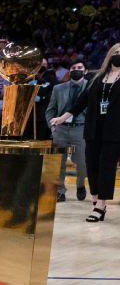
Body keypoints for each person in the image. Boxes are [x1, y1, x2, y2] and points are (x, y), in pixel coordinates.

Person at [52, 43, 120, 222]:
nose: (118, 55)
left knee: (106, 166)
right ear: (110, 55)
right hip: (93, 128)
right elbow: (81, 103)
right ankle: (97, 198)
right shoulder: (96, 78)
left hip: (114, 130)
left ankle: (100, 205)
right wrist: (61, 118)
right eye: (116, 52)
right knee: (92, 164)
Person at [44, 60, 89, 202]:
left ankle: (81, 184)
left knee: (82, 162)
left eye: (80, 68)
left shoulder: (91, 87)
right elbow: (50, 110)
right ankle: (60, 190)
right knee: (58, 161)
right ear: (69, 71)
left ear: (85, 71)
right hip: (61, 129)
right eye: (73, 68)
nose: (76, 70)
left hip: (81, 128)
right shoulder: (58, 88)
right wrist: (52, 126)